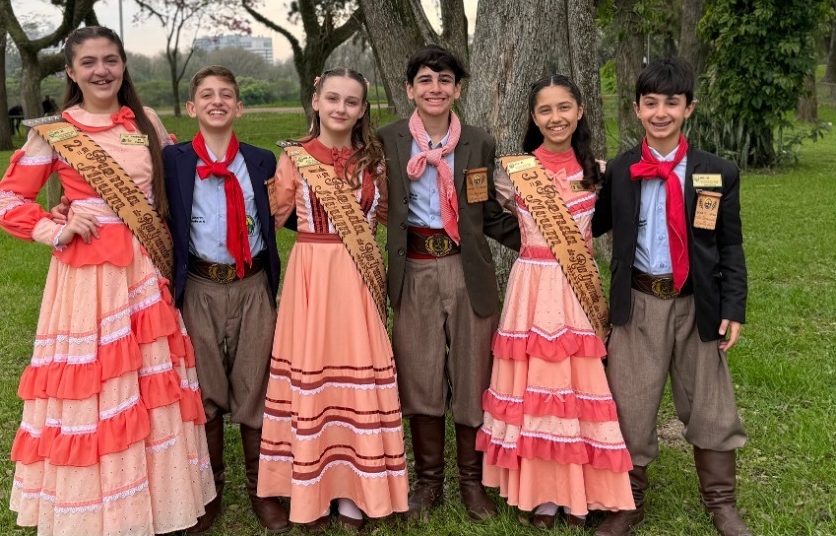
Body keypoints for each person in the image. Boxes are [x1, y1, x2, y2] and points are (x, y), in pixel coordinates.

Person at [0, 26, 215, 535]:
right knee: (101, 387)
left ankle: (162, 500)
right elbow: (5, 200)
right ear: (71, 72)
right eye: (88, 62)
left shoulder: (146, 122)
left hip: (144, 268)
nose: (101, 71)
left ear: (123, 65)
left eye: (110, 60)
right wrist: (56, 227)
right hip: (90, 279)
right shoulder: (54, 132)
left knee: (150, 384)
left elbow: (175, 185)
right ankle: (97, 511)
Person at [591, 58, 750, 536]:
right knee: (630, 403)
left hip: (696, 303)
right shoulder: (620, 170)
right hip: (638, 302)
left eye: (672, 103)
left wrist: (734, 306)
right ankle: (628, 501)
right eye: (651, 103)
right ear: (637, 109)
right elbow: (590, 222)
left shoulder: (716, 172)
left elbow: (730, 244)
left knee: (710, 401)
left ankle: (721, 503)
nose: (661, 112)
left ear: (689, 109)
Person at [477, 74, 635, 529]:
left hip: (576, 289)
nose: (555, 118)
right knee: (534, 387)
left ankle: (582, 488)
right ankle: (541, 494)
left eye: (564, 107)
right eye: (545, 110)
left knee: (577, 386)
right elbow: (489, 217)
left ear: (580, 111)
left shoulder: (601, 173)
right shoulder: (514, 171)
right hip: (530, 287)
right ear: (533, 117)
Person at [256, 67, 409, 531]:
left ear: (362, 110)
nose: (341, 108)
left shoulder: (373, 160)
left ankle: (354, 490)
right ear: (316, 100)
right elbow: (270, 213)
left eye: (352, 101)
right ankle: (312, 490)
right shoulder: (294, 158)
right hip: (312, 277)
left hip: (357, 277)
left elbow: (384, 216)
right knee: (314, 378)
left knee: (355, 376)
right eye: (333, 98)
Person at [377, 44, 520, 522]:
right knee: (419, 372)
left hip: (465, 268)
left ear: (458, 89)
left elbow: (486, 214)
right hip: (414, 266)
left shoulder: (477, 142)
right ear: (409, 89)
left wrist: (541, 242)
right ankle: (429, 481)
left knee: (473, 371)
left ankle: (472, 482)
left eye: (444, 81)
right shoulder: (389, 139)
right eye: (425, 80)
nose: (434, 89)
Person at [162, 66, 289, 534]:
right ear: (192, 108)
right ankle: (210, 489)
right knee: (207, 390)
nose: (217, 102)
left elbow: (291, 211)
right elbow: (140, 200)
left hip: (253, 284)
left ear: (240, 107)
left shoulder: (261, 162)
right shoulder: (172, 161)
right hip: (199, 285)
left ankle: (264, 491)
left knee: (257, 386)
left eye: (227, 95)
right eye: (207, 96)